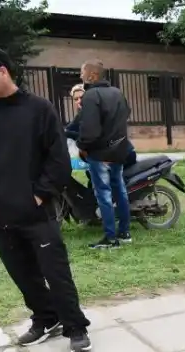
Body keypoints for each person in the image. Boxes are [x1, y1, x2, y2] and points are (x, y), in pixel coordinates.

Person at [0, 44, 92, 352]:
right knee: (22, 273)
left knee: (55, 271)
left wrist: (39, 195)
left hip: (36, 213)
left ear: (2, 71)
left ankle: (74, 326)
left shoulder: (39, 109)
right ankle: (45, 319)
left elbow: (58, 160)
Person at [77, 59, 133, 249]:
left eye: (82, 73)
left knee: (104, 194)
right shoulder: (118, 93)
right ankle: (125, 232)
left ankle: (111, 238)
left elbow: (89, 129)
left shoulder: (91, 96)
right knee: (120, 191)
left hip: (100, 154)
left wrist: (82, 146)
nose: (80, 76)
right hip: (118, 151)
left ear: (92, 75)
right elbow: (127, 113)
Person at [66, 83, 137, 168]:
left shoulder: (96, 111)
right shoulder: (81, 115)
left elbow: (92, 136)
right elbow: (69, 129)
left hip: (120, 155)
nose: (79, 101)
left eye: (82, 97)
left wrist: (70, 135)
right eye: (76, 99)